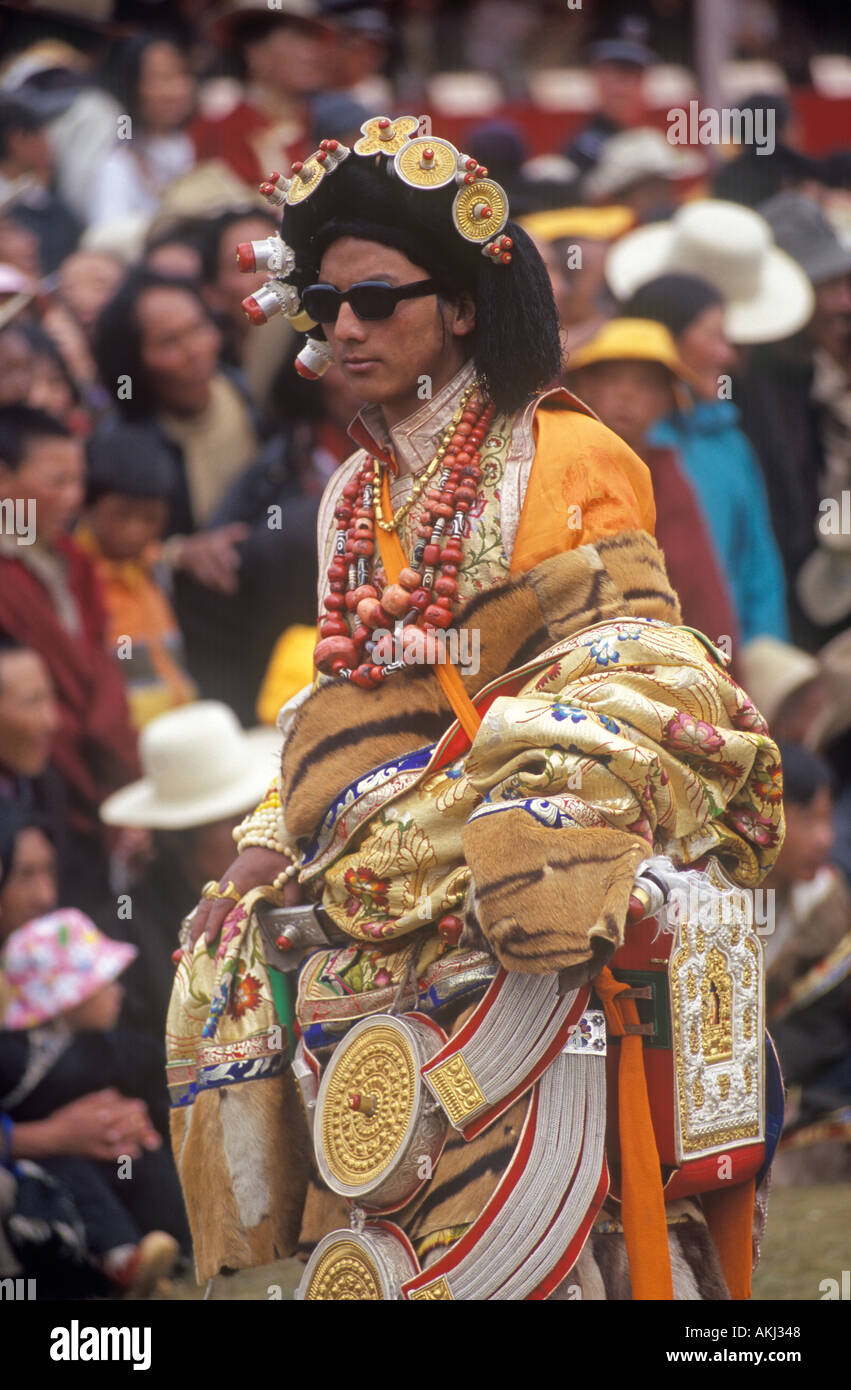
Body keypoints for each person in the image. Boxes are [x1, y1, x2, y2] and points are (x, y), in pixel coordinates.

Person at [168, 114, 784, 1302]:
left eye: (376, 298)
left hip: (528, 848)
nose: (343, 325)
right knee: (223, 951)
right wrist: (257, 846)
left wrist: (497, 779)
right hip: (378, 865)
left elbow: (638, 665)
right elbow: (338, 694)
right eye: (327, 307)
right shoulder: (348, 495)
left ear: (457, 305)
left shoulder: (565, 454)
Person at [0, 909, 188, 1293]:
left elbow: (150, 1064)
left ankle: (178, 1244)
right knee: (74, 1181)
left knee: (142, 1162)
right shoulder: (15, 1058)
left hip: (108, 1153)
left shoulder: (106, 1044)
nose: (117, 990)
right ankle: (120, 1261)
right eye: (105, 983)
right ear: (69, 999)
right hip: (52, 1165)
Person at [0, 406, 139, 911]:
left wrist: (124, 791)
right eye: (57, 481)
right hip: (42, 799)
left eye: (79, 480)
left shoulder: (71, 559)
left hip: (105, 782)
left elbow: (104, 679)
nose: (75, 498)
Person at [615, 262, 798, 646]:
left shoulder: (729, 440)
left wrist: (765, 657)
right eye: (713, 336)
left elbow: (759, 568)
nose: (726, 354)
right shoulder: (629, 446)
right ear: (668, 339)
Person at [99, 701, 281, 1042]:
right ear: (178, 840)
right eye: (232, 821)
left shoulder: (287, 889)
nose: (252, 832)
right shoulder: (129, 934)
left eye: (257, 811)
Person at [565, 317, 741, 658]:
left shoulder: (667, 475)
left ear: (666, 402)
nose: (627, 394)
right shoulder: (561, 460)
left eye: (644, 384)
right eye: (612, 379)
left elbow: (701, 587)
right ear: (584, 387)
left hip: (660, 653)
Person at [762, 745, 851, 1180]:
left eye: (828, 818)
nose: (826, 838)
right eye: (810, 819)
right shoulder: (705, 898)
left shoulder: (826, 908)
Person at [77, 430, 197, 730]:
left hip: (183, 728)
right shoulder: (77, 580)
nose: (136, 531)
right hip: (128, 743)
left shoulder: (154, 566)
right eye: (122, 515)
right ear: (87, 506)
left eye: (151, 519)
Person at [191, 0, 332, 188]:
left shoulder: (322, 122)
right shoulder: (222, 129)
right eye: (295, 39)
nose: (311, 53)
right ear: (256, 53)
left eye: (311, 40)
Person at [88, 34, 197, 227]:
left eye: (182, 74)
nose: (177, 89)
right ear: (132, 86)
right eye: (162, 78)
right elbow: (110, 235)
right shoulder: (120, 164)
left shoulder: (196, 142)